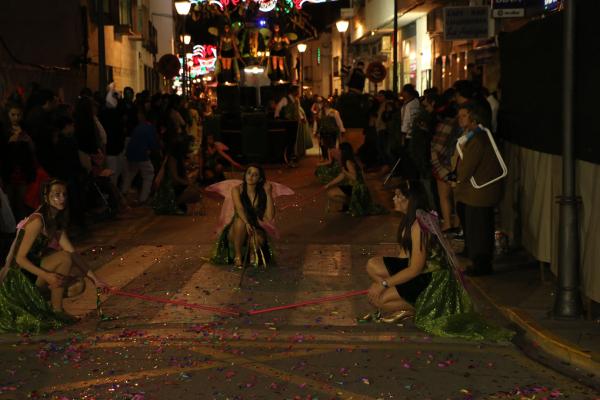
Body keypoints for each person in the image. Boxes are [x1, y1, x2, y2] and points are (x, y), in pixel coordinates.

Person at [361, 180, 512, 341]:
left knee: (382, 300)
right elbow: (404, 257)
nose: (394, 199)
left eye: (398, 196)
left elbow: (415, 269)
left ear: (410, 201)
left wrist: (384, 284)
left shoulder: (419, 225)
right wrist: (388, 282)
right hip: (420, 271)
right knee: (373, 265)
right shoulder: (408, 219)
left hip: (432, 278)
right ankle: (405, 298)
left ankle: (419, 307)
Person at [0, 179, 98, 333]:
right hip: (19, 277)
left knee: (77, 282)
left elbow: (73, 254)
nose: (62, 199)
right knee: (64, 259)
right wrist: (47, 275)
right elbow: (18, 259)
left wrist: (96, 280)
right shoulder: (38, 220)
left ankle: (56, 309)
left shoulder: (54, 221)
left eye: (64, 195)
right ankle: (54, 309)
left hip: (32, 272)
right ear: (46, 197)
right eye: (56, 195)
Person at [454, 103, 504, 276]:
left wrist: (458, 182)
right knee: (480, 228)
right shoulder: (481, 136)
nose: (460, 119)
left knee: (479, 230)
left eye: (464, 116)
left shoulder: (477, 139)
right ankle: (480, 262)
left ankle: (481, 265)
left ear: (474, 119)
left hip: (478, 192)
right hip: (481, 191)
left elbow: (467, 167)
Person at [211, 165, 275, 268]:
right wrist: (246, 222)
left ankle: (252, 252)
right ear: (245, 174)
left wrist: (268, 193)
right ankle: (238, 255)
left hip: (254, 227)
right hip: (237, 228)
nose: (250, 176)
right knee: (240, 222)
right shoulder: (237, 190)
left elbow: (270, 216)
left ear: (260, 179)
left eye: (255, 175)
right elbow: (239, 208)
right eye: (249, 172)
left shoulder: (262, 193)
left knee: (258, 238)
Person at [323, 142, 386, 216]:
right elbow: (341, 176)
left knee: (331, 193)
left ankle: (352, 205)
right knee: (331, 191)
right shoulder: (349, 160)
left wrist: (345, 172)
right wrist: (328, 184)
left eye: (339, 150)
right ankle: (352, 204)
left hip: (358, 189)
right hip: (358, 187)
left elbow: (354, 177)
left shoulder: (348, 162)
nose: (338, 151)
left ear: (344, 151)